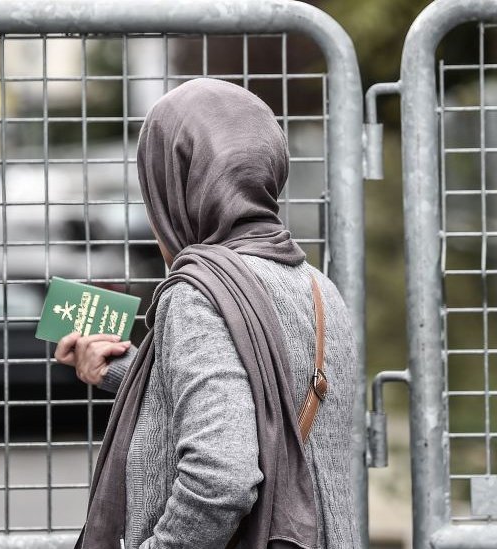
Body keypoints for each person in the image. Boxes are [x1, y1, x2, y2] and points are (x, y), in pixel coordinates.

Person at [55, 78, 359, 548]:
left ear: (172, 183)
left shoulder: (198, 295)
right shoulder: (319, 288)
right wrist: (128, 370)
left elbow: (222, 477)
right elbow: (264, 397)